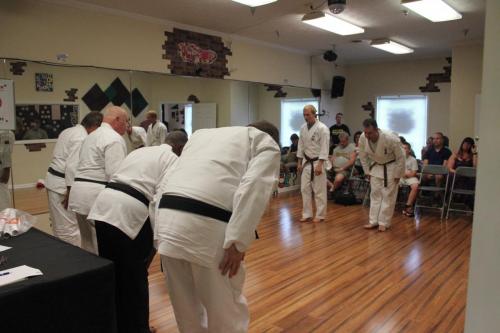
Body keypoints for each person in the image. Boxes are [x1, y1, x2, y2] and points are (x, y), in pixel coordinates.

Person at [155, 121, 280, 333]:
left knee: (186, 310)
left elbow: (164, 183)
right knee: (225, 311)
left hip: (167, 221)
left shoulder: (201, 136)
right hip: (206, 225)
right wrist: (238, 243)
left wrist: (159, 234)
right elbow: (253, 188)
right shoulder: (265, 143)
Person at [89, 131, 187, 333]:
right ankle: (138, 329)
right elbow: (160, 199)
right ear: (180, 148)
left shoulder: (140, 152)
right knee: (134, 278)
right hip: (129, 211)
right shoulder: (172, 159)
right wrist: (157, 238)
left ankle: (115, 324)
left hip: (103, 205)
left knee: (114, 272)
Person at [68, 106, 128, 254]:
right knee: (102, 245)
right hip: (95, 195)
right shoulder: (114, 139)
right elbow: (115, 174)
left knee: (87, 242)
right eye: (126, 122)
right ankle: (102, 275)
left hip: (79, 192)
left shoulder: (91, 136)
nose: (127, 126)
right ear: (117, 120)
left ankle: (89, 273)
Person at [45, 111, 103, 246]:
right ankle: (71, 261)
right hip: (63, 187)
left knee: (60, 226)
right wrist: (71, 192)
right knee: (69, 229)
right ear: (95, 126)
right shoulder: (82, 137)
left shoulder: (68, 131)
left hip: (54, 182)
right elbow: (72, 166)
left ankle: (62, 254)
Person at [359, 119, 405, 231]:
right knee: (374, 195)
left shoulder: (390, 138)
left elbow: (401, 157)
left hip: (391, 168)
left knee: (388, 196)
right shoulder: (363, 137)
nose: (367, 135)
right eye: (365, 132)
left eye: (369, 133)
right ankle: (373, 221)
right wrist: (366, 171)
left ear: (376, 129)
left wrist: (398, 174)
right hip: (376, 167)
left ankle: (384, 222)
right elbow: (362, 156)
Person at [297, 105, 330, 222]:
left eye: (308, 115)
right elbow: (300, 146)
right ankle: (307, 214)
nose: (306, 117)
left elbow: (324, 148)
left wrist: (320, 164)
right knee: (304, 189)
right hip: (306, 161)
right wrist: (299, 162)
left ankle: (320, 215)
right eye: (304, 115)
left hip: (318, 161)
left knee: (319, 190)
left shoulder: (323, 128)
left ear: (314, 114)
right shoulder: (302, 128)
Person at [400, 142, 419, 217]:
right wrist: (404, 173)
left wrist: (406, 173)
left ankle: (408, 206)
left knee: (415, 186)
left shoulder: (413, 159)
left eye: (405, 148)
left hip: (410, 177)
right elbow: (394, 171)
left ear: (409, 150)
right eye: (402, 148)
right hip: (399, 177)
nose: (403, 150)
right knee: (392, 184)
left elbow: (414, 173)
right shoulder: (397, 159)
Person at [0, 130, 15, 210]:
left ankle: (4, 219)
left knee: (2, 194)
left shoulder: (6, 133)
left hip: (2, 171)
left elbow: (6, 153)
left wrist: (6, 170)